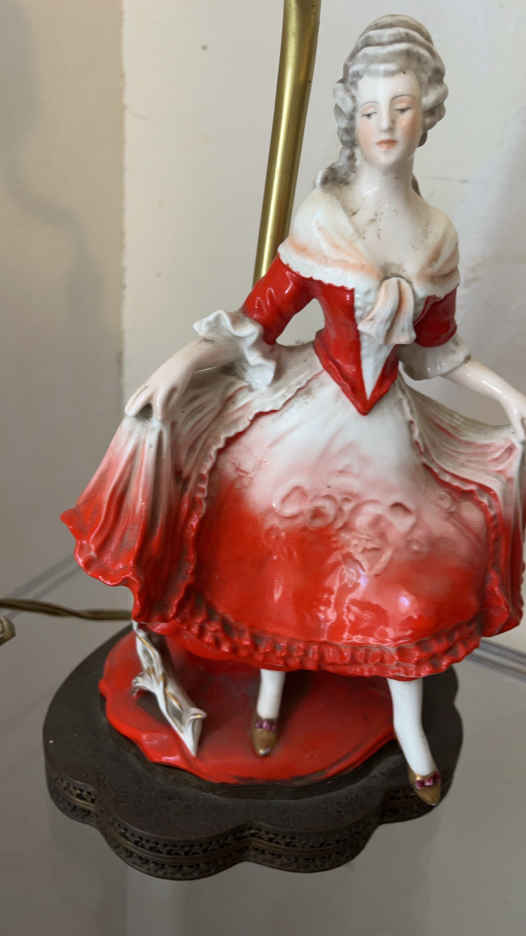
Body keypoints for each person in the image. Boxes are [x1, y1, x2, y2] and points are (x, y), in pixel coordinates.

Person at [63, 15, 526, 805]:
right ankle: (271, 691)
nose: (387, 125)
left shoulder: (437, 236)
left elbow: (434, 353)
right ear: (351, 115)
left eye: (403, 107)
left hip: (389, 427)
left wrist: (510, 399)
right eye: (372, 109)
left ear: (428, 113)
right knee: (281, 554)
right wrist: (178, 366)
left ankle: (408, 725)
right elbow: (263, 313)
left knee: (404, 580)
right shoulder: (322, 218)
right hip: (312, 414)